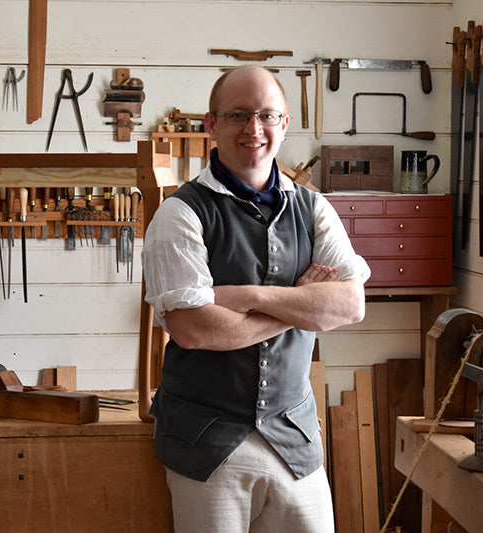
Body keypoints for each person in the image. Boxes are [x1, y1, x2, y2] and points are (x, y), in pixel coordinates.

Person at [141, 65, 371, 533]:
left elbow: (349, 304)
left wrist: (248, 297)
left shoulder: (314, 208)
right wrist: (302, 304)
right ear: (212, 124)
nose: (254, 129)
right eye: (238, 115)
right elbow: (195, 329)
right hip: (206, 445)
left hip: (295, 441)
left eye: (268, 115)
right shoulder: (180, 215)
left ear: (284, 125)